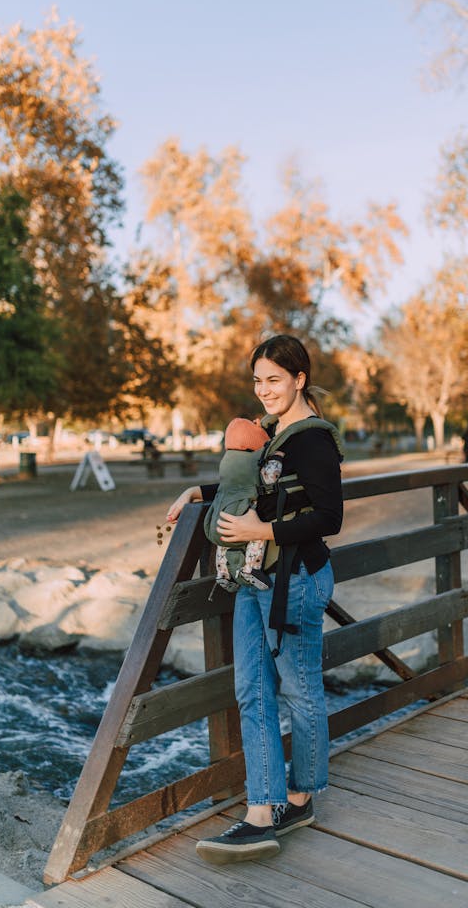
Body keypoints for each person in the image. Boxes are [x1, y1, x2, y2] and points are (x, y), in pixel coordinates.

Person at [166, 334, 344, 865]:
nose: (265, 391)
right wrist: (197, 494)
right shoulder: (267, 433)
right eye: (258, 381)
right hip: (254, 582)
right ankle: (261, 811)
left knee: (299, 689)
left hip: (297, 580)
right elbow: (249, 487)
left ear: (299, 380)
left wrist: (260, 530)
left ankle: (301, 796)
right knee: (251, 690)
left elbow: (329, 518)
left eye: (274, 380)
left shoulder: (311, 440)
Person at [204, 416, 272, 593]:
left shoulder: (227, 458)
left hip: (222, 506)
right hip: (243, 506)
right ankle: (251, 568)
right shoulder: (256, 457)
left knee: (224, 540)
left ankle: (223, 572)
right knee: (258, 534)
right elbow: (269, 478)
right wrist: (277, 457)